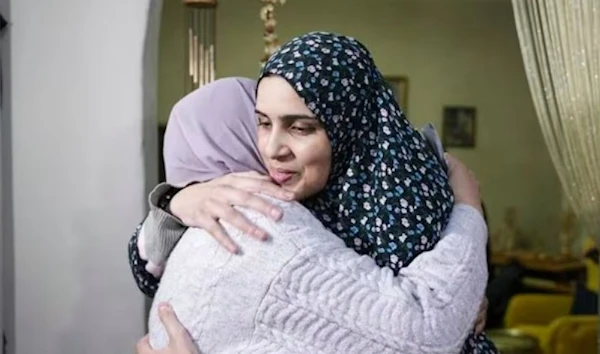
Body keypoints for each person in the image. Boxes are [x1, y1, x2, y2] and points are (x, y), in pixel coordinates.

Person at [132, 32, 495, 353]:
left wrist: (460, 295)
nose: (272, 148)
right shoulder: (256, 220)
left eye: (301, 127)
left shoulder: (401, 198)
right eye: (260, 123)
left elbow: (425, 322)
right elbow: (430, 328)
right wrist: (178, 199)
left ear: (344, 127)